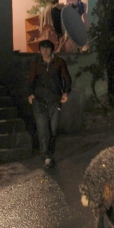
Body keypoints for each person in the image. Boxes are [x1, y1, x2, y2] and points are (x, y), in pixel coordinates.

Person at [27, 39, 72, 169]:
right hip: (39, 100)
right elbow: (30, 80)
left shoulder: (59, 62)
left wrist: (65, 93)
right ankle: (46, 157)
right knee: (43, 130)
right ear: (39, 50)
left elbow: (66, 78)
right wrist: (30, 94)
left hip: (54, 100)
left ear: (51, 50)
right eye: (42, 48)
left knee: (53, 129)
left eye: (47, 48)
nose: (45, 51)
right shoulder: (36, 63)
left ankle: (50, 154)